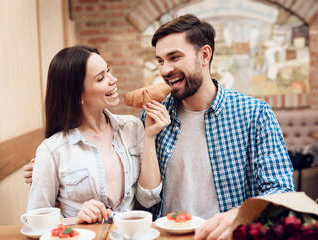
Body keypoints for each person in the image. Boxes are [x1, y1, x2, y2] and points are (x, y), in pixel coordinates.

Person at [138, 14, 294, 240]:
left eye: (174, 57)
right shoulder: (153, 115)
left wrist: (240, 214)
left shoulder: (254, 113)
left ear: (204, 55)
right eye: (160, 60)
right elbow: (144, 201)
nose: (165, 70)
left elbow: (282, 191)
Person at [26, 45, 170, 224]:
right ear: (78, 95)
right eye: (101, 78)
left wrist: (150, 136)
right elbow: (36, 221)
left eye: (108, 71)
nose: (113, 79)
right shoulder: (52, 150)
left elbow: (149, 198)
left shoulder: (132, 127)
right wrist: (76, 219)